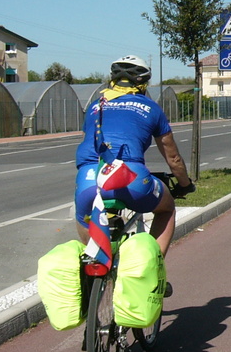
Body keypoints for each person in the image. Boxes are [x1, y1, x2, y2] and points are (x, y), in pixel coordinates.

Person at [74, 55, 194, 293]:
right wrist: (184, 184)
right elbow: (173, 158)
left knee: (83, 214)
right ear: (144, 82)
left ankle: (97, 262)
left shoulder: (94, 107)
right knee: (166, 208)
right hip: (129, 178)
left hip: (89, 177)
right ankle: (152, 270)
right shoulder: (151, 108)